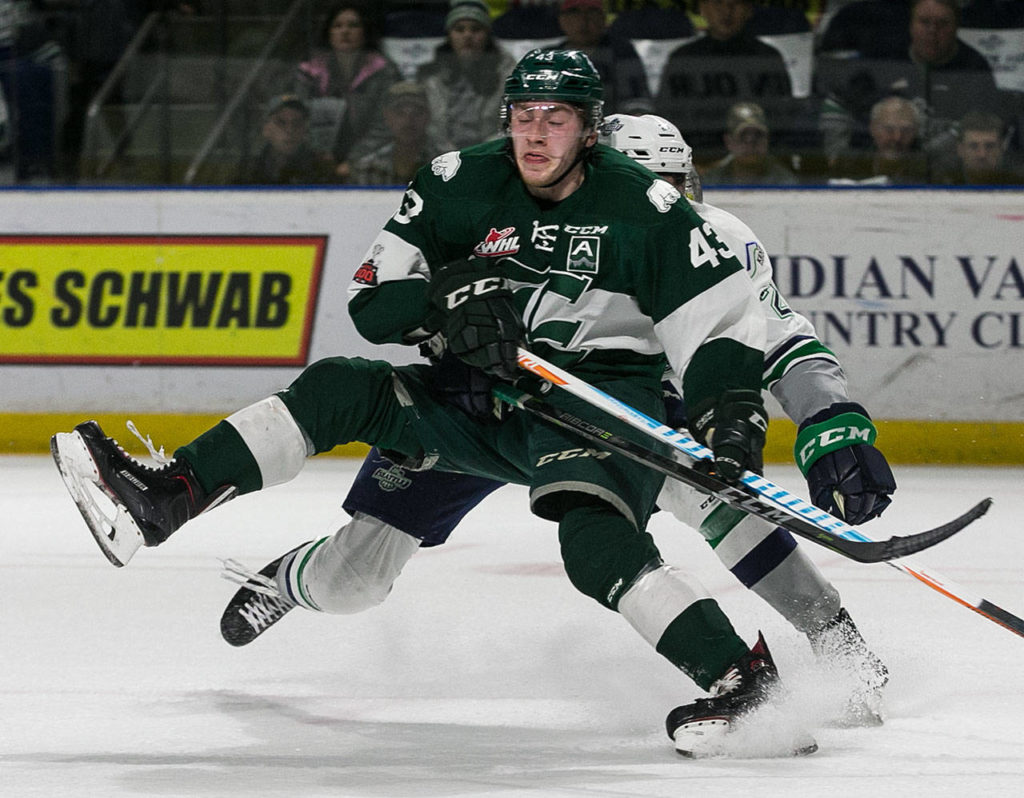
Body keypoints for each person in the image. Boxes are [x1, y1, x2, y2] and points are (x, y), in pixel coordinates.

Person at [55, 49, 820, 758]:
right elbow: (372, 302)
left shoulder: (652, 212)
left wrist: (730, 415)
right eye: (524, 116)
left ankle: (744, 684)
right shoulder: (455, 181)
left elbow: (719, 327)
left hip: (592, 402)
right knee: (346, 425)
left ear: (590, 132)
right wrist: (442, 305)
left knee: (596, 543)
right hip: (476, 396)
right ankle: (168, 497)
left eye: (556, 119)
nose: (536, 134)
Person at [817, 0, 1003, 169]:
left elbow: (985, 128)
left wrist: (923, 157)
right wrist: (838, 155)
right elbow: (836, 102)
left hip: (946, 178)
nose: (932, 31)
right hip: (876, 170)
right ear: (911, 25)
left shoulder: (974, 68)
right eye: (924, 22)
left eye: (942, 24)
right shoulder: (884, 57)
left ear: (956, 28)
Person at [655, 0, 795, 161]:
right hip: (697, 163)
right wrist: (690, 164)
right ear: (703, 9)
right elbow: (667, 122)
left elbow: (783, 121)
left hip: (754, 163)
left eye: (735, 4)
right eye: (718, 3)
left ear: (749, 10)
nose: (726, 11)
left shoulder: (767, 58)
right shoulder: (683, 60)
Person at [295, 1, 401, 182]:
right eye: (338, 26)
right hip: (316, 158)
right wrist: (319, 152)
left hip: (370, 156)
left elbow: (386, 124)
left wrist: (354, 159)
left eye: (353, 25)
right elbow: (298, 115)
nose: (345, 31)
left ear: (365, 32)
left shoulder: (384, 72)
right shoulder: (309, 71)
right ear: (329, 32)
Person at [416, 0, 518, 152]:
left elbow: (511, 124)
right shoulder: (430, 75)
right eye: (459, 29)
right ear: (449, 35)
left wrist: (478, 154)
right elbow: (426, 126)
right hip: (439, 156)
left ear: (487, 35)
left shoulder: (508, 74)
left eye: (476, 29)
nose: (468, 35)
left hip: (490, 154)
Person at [549, 0, 650, 114]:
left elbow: (637, 101)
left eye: (591, 12)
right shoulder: (549, 58)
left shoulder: (621, 52)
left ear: (603, 18)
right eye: (575, 12)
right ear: (562, 20)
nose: (584, 20)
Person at [347, 81, 447, 186]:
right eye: (400, 113)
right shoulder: (368, 168)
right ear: (387, 116)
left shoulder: (448, 167)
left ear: (428, 116)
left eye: (417, 113)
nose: (408, 120)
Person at [232, 94, 336, 185]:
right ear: (266, 129)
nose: (290, 130)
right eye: (281, 122)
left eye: (297, 123)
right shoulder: (248, 170)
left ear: (305, 130)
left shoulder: (320, 170)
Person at [828, 95, 928, 185]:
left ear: (916, 131)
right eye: (889, 129)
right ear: (873, 129)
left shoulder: (929, 168)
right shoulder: (849, 164)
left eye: (906, 130)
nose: (897, 137)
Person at [703, 101, 799, 186]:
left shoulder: (785, 182)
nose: (751, 142)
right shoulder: (710, 181)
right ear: (729, 141)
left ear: (767, 139)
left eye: (758, 134)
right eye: (743, 135)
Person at [937, 110, 1023, 186]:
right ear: (960, 150)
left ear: (1001, 148)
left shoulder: (1018, 187)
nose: (982, 154)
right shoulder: (938, 186)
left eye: (990, 146)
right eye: (973, 146)